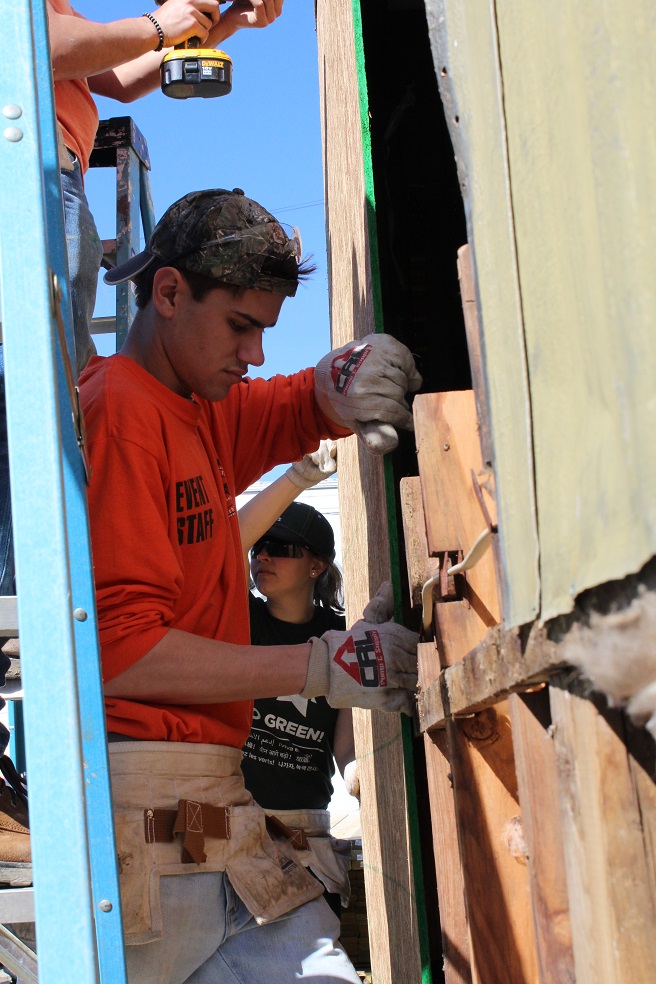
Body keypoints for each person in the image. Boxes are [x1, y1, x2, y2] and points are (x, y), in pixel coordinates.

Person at [80, 186, 421, 983]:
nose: (255, 354)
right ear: (168, 292)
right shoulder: (123, 411)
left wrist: (331, 386)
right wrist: (320, 665)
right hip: (149, 815)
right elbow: (121, 654)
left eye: (265, 331)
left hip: (207, 814)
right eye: (240, 326)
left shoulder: (192, 406)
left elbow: (276, 410)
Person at [238, 450, 355, 920]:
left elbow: (347, 749)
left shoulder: (341, 638)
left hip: (304, 841)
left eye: (282, 548)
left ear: (316, 567)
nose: (263, 555)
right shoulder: (235, 616)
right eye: (259, 547)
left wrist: (361, 778)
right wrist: (297, 478)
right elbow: (216, 555)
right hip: (229, 833)